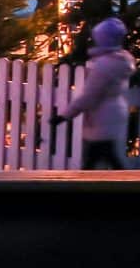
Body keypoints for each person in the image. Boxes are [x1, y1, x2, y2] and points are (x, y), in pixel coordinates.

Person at [56, 16, 134, 169]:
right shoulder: (121, 61)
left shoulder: (104, 66)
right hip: (112, 114)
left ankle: (122, 185)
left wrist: (65, 115)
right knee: (105, 157)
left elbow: (89, 96)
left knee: (97, 159)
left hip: (101, 117)